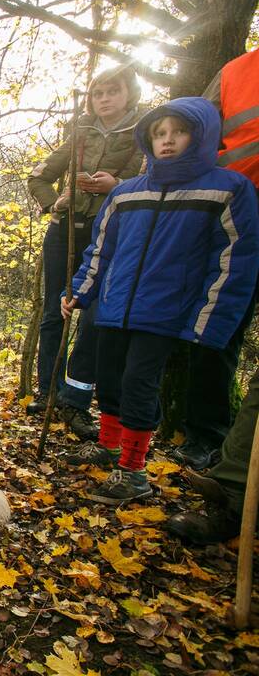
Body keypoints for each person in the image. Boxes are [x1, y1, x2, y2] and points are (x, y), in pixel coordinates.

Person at [60, 97, 259, 506]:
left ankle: (133, 472)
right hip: (114, 307)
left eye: (178, 132)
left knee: (138, 384)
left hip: (165, 313)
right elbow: (100, 250)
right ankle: (110, 445)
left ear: (201, 136)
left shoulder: (226, 189)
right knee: (110, 378)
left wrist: (208, 322)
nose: (167, 141)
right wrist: (79, 292)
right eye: (159, 133)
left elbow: (233, 261)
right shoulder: (127, 193)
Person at [167, 48, 259, 543]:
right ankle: (226, 475)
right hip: (231, 223)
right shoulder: (236, 73)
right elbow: (187, 140)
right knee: (215, 333)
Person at [27, 66, 146, 440]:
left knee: (93, 316)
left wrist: (118, 186)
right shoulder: (78, 131)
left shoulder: (143, 131)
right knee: (53, 313)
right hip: (66, 232)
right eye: (98, 93)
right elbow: (38, 176)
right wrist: (54, 204)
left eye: (113, 92)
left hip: (113, 234)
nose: (104, 99)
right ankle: (47, 393)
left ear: (129, 94)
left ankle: (76, 402)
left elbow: (151, 178)